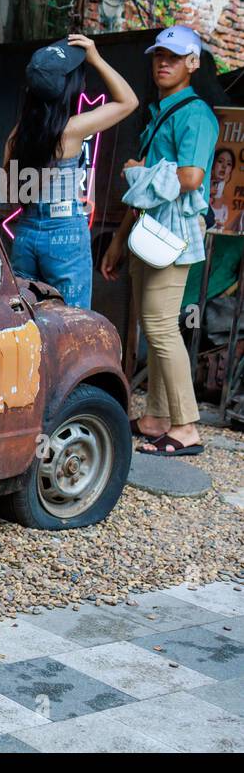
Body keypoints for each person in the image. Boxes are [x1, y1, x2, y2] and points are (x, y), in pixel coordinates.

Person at [101, 25, 219, 457]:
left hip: (175, 234)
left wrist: (138, 171)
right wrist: (118, 241)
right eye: (158, 56)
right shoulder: (161, 110)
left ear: (193, 63)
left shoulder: (197, 115)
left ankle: (186, 426)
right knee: (154, 325)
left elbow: (191, 178)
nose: (163, 62)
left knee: (162, 328)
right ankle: (155, 418)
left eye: (174, 56)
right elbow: (146, 191)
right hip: (147, 231)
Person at [3, 34, 138, 309]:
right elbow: (128, 101)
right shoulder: (71, 130)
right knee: (73, 324)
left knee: (25, 320)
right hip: (64, 232)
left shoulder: (17, 135)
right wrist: (96, 58)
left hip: (26, 234)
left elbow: (9, 191)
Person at [209, 146, 234, 228]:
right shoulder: (200, 189)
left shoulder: (224, 210)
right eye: (220, 161)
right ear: (213, 164)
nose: (224, 166)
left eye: (229, 164)